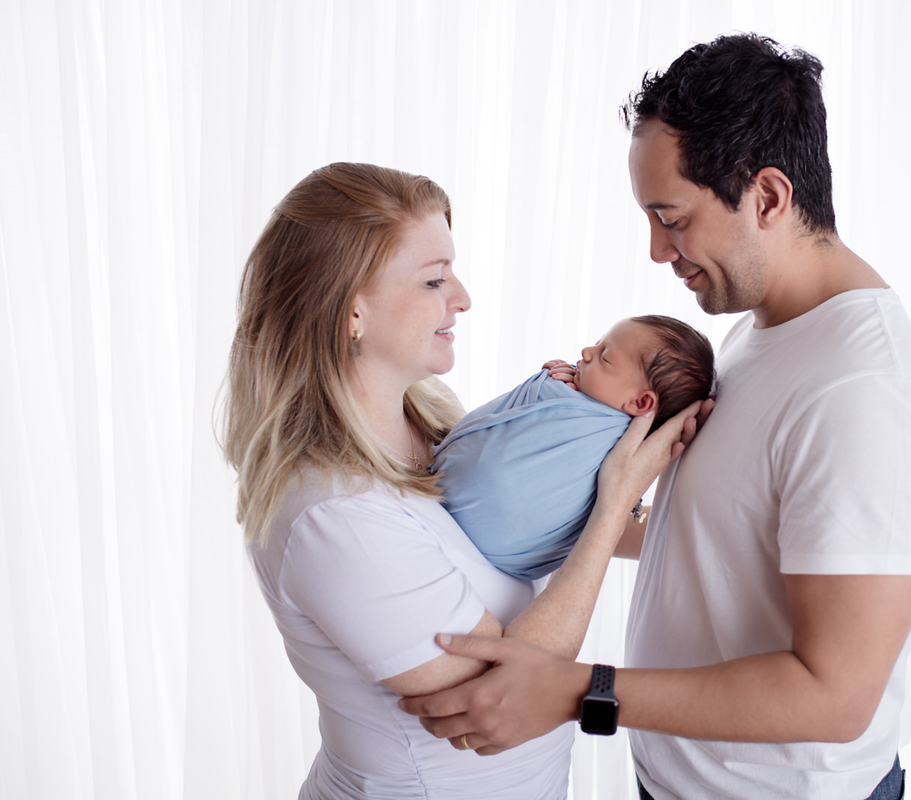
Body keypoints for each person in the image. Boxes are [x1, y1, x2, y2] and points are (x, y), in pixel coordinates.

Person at [400, 33, 911, 800]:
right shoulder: (761, 333)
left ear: (767, 198)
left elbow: (835, 698)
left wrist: (577, 689)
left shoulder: (868, 396)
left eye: (671, 217)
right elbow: (718, 538)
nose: (657, 251)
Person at [219, 162, 700, 799]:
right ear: (351, 311)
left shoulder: (431, 419)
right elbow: (504, 694)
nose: (464, 297)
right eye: (434, 279)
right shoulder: (334, 514)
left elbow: (544, 521)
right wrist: (615, 505)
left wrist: (719, 535)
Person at [432, 315, 714, 580]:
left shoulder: (627, 452)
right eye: (597, 344)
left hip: (476, 524)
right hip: (509, 558)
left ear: (640, 403)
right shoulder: (570, 393)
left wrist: (546, 388)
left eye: (604, 357)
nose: (586, 352)